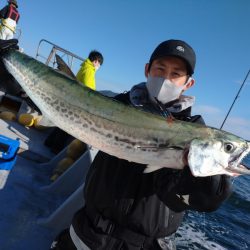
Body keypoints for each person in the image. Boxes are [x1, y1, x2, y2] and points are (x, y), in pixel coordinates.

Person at [50, 39, 233, 250]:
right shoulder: (118, 104)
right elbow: (72, 106)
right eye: (160, 69)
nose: (166, 79)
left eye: (176, 74)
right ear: (147, 70)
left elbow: (198, 200)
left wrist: (209, 188)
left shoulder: (194, 130)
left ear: (188, 83)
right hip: (88, 230)